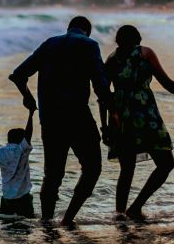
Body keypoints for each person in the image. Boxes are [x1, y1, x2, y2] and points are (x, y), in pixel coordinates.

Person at [9, 16, 113, 225]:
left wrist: (27, 97)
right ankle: (68, 218)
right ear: (88, 31)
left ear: (68, 28)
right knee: (92, 168)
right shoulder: (89, 45)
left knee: (53, 174)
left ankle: (47, 221)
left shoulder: (50, 43)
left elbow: (19, 75)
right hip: (78, 116)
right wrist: (111, 119)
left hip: (50, 119)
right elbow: (101, 88)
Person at [106, 25, 174, 221]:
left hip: (121, 118)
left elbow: (104, 94)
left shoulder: (111, 59)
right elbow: (168, 84)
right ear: (138, 38)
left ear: (118, 41)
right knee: (165, 163)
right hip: (145, 115)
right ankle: (135, 207)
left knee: (126, 169)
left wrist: (108, 122)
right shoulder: (145, 53)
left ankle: (120, 214)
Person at [0, 107, 35, 218]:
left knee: (6, 226)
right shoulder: (22, 150)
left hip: (7, 198)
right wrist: (31, 114)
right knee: (28, 225)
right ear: (22, 140)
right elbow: (29, 134)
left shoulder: (1, 152)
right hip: (22, 197)